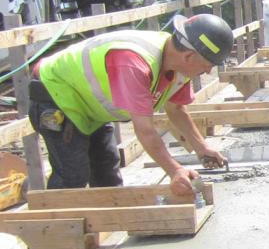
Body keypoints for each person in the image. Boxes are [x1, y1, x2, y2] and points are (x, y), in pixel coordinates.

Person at [28, 14, 232, 195]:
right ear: (189, 56)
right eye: (208, 66)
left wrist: (202, 148)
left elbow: (176, 109)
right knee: (72, 176)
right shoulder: (134, 63)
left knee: (107, 171)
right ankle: (59, 234)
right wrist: (175, 171)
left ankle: (102, 229)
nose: (207, 72)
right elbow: (145, 131)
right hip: (57, 95)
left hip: (89, 107)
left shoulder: (180, 63)